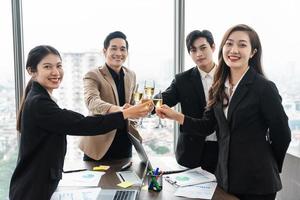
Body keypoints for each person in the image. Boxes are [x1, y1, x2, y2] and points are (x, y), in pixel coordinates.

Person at [156, 24, 291, 200]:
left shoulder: (264, 87)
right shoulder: (218, 87)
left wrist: (268, 164)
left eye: (242, 45)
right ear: (222, 48)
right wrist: (175, 116)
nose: (234, 50)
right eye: (229, 44)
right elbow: (207, 125)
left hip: (258, 179)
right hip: (226, 177)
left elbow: (282, 134)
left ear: (253, 52)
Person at [9, 45, 152, 200]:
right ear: (32, 71)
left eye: (59, 66)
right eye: (47, 67)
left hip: (36, 184)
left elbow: (73, 120)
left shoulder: (39, 97)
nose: (56, 72)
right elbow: (82, 124)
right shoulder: (39, 103)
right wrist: (126, 113)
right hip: (32, 189)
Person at [156, 30, 218, 173]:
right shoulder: (182, 80)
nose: (199, 54)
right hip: (191, 151)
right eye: (193, 50)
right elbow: (164, 98)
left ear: (213, 47)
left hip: (221, 151)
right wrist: (139, 105)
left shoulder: (228, 76)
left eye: (203, 48)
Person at [79, 31, 138, 161]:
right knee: (97, 181)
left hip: (124, 143)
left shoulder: (131, 75)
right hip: (99, 144)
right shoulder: (93, 75)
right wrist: (121, 110)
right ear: (104, 51)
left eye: (123, 49)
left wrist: (140, 109)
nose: (118, 53)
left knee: (126, 181)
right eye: (114, 48)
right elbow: (92, 102)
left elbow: (132, 104)